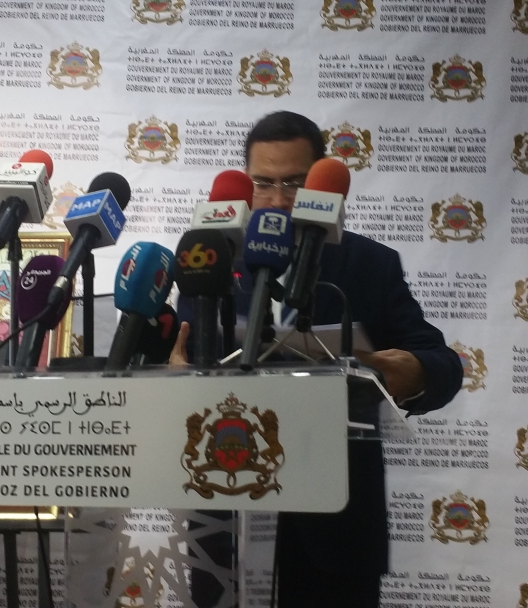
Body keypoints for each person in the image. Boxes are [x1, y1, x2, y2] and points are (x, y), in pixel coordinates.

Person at [172, 111, 463, 607]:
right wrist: (171, 376)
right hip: (224, 510)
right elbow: (181, 355)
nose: (278, 199)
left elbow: (442, 364)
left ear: (320, 186)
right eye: (263, 183)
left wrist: (413, 372)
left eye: (294, 183)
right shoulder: (210, 260)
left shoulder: (369, 264)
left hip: (336, 526)